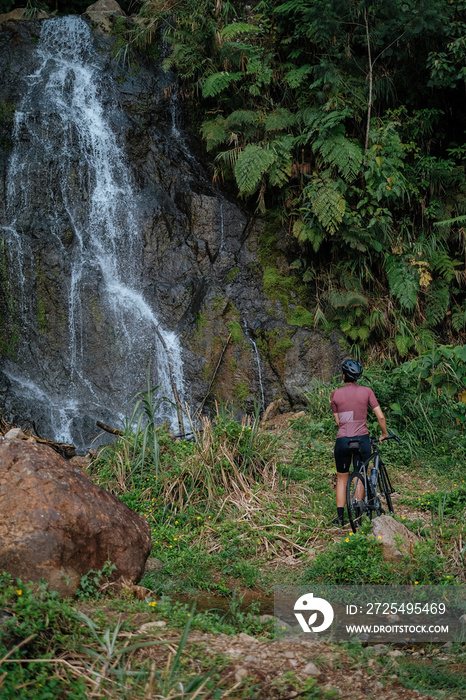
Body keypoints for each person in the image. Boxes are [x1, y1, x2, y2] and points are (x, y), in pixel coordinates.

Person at [330, 359, 388, 526]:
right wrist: (384, 433)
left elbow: (338, 421)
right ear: (357, 377)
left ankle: (340, 519)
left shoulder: (335, 394)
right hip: (361, 440)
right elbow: (381, 417)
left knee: (342, 478)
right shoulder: (367, 391)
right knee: (360, 474)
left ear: (343, 376)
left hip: (342, 441)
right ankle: (358, 516)